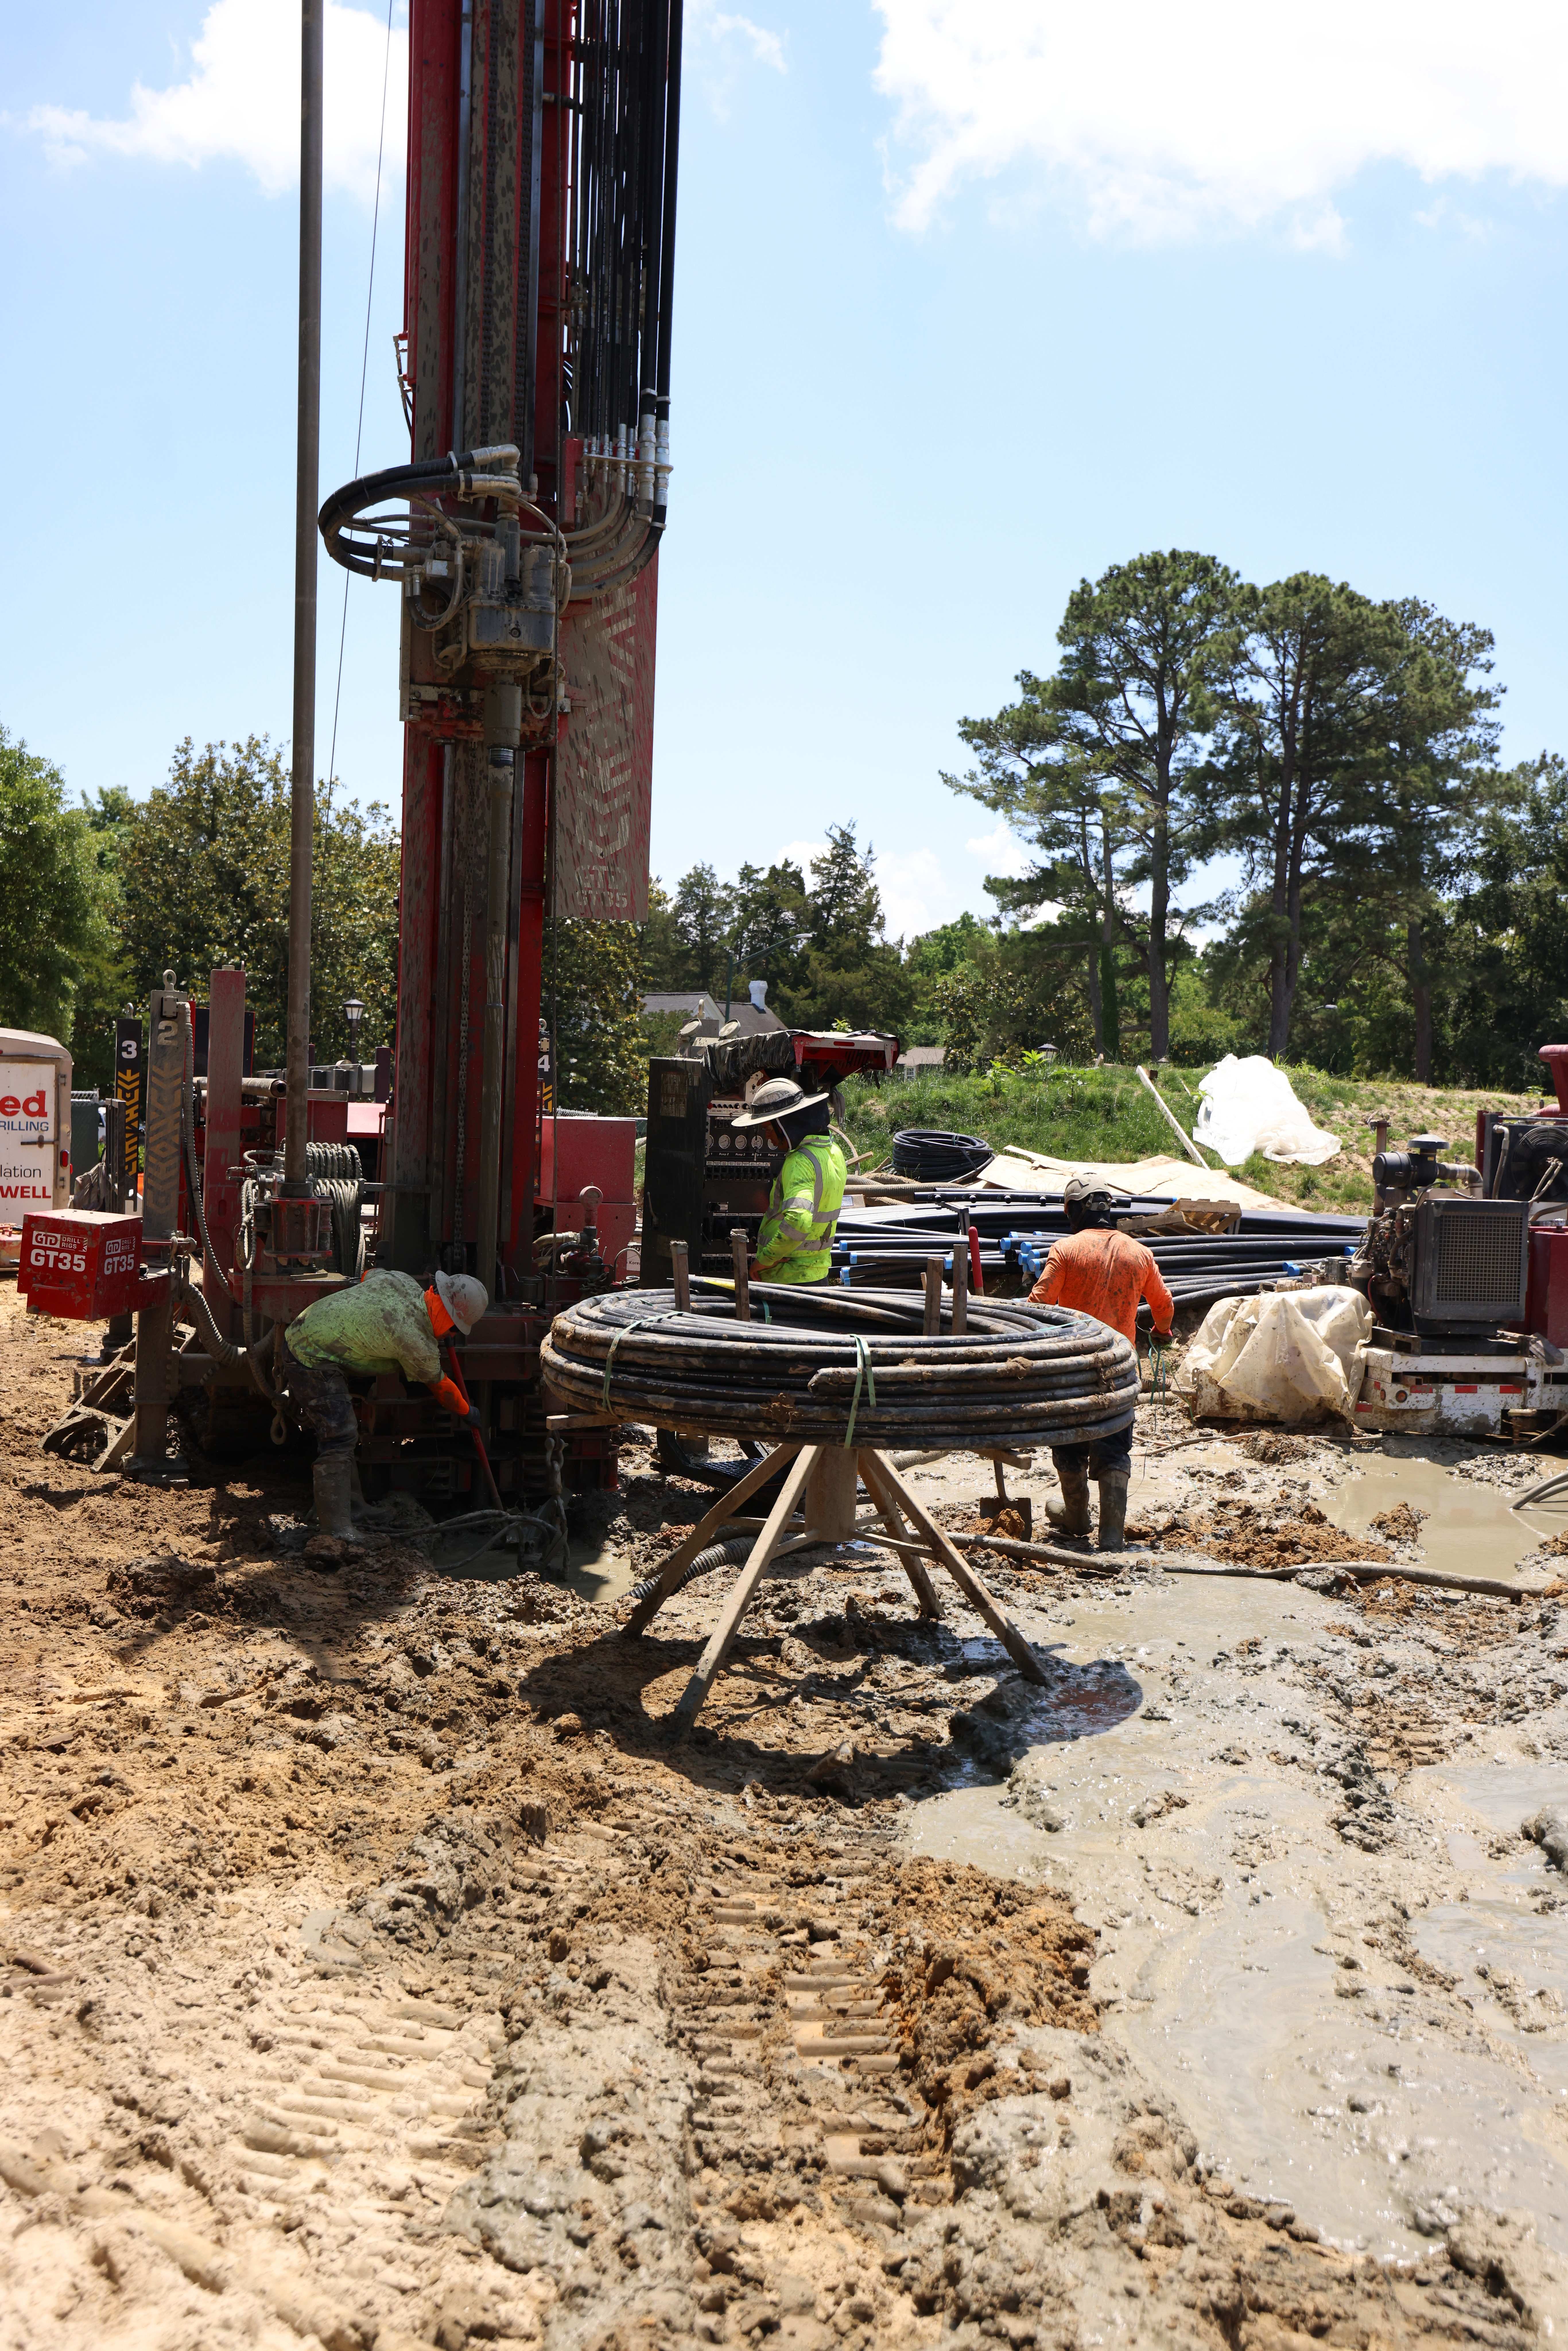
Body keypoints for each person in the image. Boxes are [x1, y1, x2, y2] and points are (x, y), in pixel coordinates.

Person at [279, 1267, 489, 1539]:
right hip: (308, 1357)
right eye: (454, 1329)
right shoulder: (417, 1343)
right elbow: (442, 1388)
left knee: (346, 1433)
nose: (450, 1336)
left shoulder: (402, 1280)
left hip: (305, 1329)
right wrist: (467, 1411)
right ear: (447, 1315)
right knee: (340, 1437)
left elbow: (368, 1274)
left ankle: (353, 1508)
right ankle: (336, 1529)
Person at [1027, 1175, 1174, 1551]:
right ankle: (1111, 1537)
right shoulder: (1139, 1253)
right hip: (1119, 1369)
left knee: (1070, 1444)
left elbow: (1040, 1302)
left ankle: (1076, 1519)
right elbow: (1164, 1305)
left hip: (1073, 1368)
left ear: (1072, 1210)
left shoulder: (1066, 1250)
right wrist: (1161, 1331)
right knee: (1114, 1449)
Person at [730, 1076, 847, 1284]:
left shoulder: (800, 1162)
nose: (768, 1138)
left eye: (768, 1129)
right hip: (817, 1273)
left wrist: (766, 1260)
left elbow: (799, 1220)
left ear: (785, 1126)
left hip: (787, 1276)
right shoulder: (834, 1152)